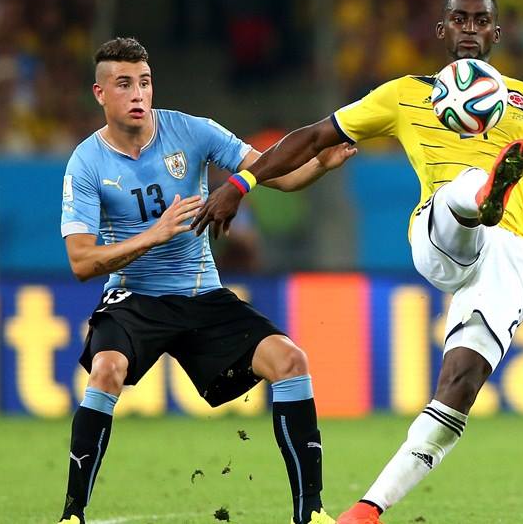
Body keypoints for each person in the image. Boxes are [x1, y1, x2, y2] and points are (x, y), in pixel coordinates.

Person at [193, 0, 523, 522]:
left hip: (507, 253)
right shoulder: (403, 94)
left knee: (460, 386)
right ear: (441, 30)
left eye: (480, 21)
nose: (469, 28)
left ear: (496, 33)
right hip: (440, 233)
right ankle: (482, 193)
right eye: (458, 19)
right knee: (465, 187)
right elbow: (314, 136)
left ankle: (368, 509)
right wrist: (242, 182)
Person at [58, 37, 355, 524]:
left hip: (201, 295)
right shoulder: (87, 163)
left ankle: (311, 513)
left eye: (145, 83)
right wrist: (154, 235)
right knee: (106, 368)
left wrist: (319, 164)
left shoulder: (192, 132)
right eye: (124, 84)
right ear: (100, 93)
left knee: (291, 361)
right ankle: (72, 514)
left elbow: (276, 175)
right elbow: (80, 261)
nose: (138, 94)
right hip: (134, 297)